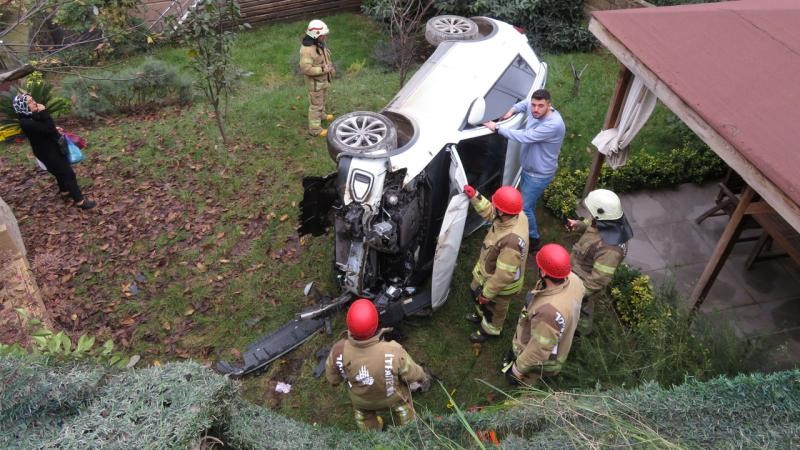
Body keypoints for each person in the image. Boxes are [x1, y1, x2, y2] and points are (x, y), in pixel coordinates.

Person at [325, 299, 429, 432]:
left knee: (363, 417)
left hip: (361, 400)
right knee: (403, 409)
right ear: (376, 324)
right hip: (393, 397)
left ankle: (372, 433)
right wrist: (421, 377)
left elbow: (333, 377)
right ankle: (407, 429)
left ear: (348, 324)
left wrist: (336, 381)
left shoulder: (338, 350)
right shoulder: (393, 351)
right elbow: (411, 372)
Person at [483, 89, 565, 251]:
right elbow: (526, 103)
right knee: (528, 204)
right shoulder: (534, 109)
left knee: (524, 208)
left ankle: (534, 239)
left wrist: (497, 128)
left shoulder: (553, 125)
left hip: (538, 175)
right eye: (534, 105)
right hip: (529, 169)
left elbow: (525, 136)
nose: (535, 109)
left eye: (540, 106)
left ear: (549, 105)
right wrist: (513, 110)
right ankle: (521, 227)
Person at [504, 243, 584, 385]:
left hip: (541, 362)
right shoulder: (574, 280)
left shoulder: (548, 313)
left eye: (540, 266)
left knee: (525, 381)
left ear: (544, 273)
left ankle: (524, 389)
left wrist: (517, 369)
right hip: (556, 334)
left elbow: (538, 351)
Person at [463, 185, 529, 343]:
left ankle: (490, 330)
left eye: (496, 206)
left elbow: (503, 276)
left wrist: (487, 294)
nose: (493, 207)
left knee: (494, 309)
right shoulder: (515, 214)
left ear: (503, 212)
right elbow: (491, 212)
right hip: (490, 272)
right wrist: (475, 196)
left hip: (502, 286)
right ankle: (481, 313)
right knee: (477, 294)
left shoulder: (511, 242)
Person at [566, 189, 633, 335]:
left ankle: (581, 331)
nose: (590, 215)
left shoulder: (610, 251)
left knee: (583, 308)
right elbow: (592, 224)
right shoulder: (609, 219)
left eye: (591, 212)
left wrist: (573, 294)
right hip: (578, 270)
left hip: (585, 284)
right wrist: (580, 224)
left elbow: (597, 281)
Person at [14, 93, 95, 210]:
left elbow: (43, 129)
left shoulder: (29, 116)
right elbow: (48, 129)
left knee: (59, 173)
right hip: (48, 153)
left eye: (32, 99)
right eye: (30, 102)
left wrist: (54, 129)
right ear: (23, 106)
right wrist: (44, 112)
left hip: (49, 149)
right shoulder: (26, 122)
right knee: (68, 174)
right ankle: (80, 201)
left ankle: (64, 191)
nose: (34, 102)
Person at [299, 19, 335, 137]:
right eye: (323, 35)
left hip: (322, 82)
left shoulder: (318, 43)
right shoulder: (307, 50)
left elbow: (324, 59)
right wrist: (323, 70)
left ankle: (322, 115)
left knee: (322, 101)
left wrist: (329, 69)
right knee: (316, 106)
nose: (325, 37)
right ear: (315, 35)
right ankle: (315, 130)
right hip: (315, 85)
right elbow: (306, 69)